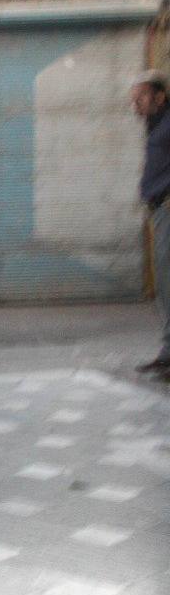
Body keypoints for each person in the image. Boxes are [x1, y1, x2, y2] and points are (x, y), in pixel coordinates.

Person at [132, 70, 170, 378]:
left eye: (142, 97)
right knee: (165, 285)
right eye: (134, 99)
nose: (137, 104)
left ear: (160, 96)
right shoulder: (156, 125)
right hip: (159, 211)